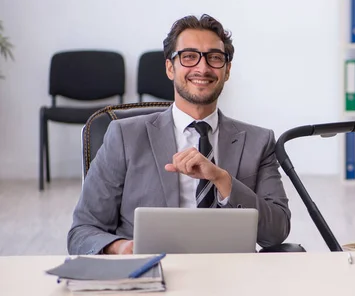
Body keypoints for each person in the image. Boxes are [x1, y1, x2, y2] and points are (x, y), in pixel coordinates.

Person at [67, 14, 291, 255]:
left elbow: (276, 231)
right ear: (169, 68)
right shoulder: (124, 136)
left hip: (231, 276)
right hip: (151, 275)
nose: (203, 68)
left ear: (227, 71)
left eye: (215, 58)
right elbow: (82, 231)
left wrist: (223, 180)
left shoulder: (259, 142)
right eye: (189, 57)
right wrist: (122, 248)